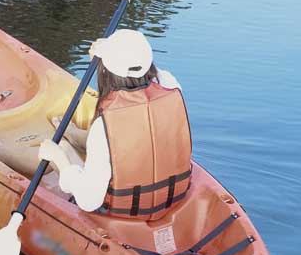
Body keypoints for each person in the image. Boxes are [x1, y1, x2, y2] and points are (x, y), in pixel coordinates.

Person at [37, 29, 192, 220]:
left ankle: (65, 146)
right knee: (107, 142)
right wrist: (106, 53)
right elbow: (142, 67)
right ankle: (77, 137)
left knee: (60, 148)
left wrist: (59, 159)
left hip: (122, 214)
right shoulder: (171, 85)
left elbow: (89, 200)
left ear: (105, 70)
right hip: (173, 198)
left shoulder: (105, 125)